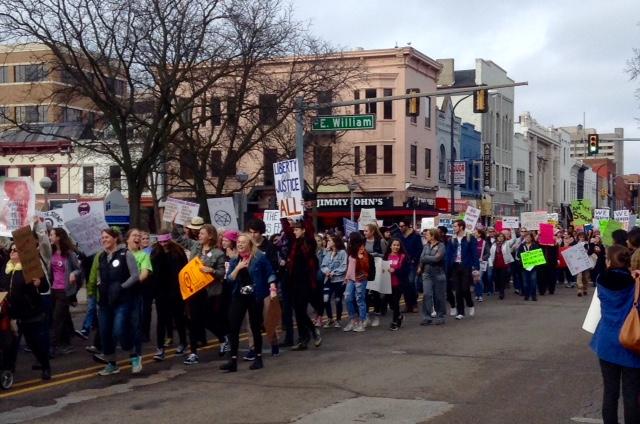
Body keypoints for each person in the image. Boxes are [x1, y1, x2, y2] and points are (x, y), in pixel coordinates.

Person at [590, 245, 640, 424]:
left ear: (610, 261)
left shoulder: (601, 279)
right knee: (631, 394)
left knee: (610, 392)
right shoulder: (635, 282)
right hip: (630, 341)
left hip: (606, 340)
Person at [220, 233, 277, 372]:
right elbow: (229, 280)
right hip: (239, 296)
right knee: (233, 327)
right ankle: (233, 360)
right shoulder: (235, 260)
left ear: (249, 244)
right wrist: (238, 268)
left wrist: (273, 288)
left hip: (255, 296)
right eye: (238, 242)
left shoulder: (259, 258)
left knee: (255, 327)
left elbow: (270, 273)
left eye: (243, 242)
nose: (239, 244)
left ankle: (258, 358)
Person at [1, 242, 52, 380]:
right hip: (11, 315)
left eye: (15, 250)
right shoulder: (6, 269)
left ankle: (45, 366)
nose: (12, 252)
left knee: (34, 343)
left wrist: (39, 283)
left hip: (30, 314)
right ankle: (8, 372)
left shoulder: (30, 268)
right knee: (10, 345)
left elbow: (44, 288)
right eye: (11, 250)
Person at [96, 228, 139, 376]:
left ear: (115, 239)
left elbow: (135, 275)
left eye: (107, 237)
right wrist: (98, 285)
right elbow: (99, 276)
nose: (104, 240)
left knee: (119, 330)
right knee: (105, 333)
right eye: (102, 237)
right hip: (104, 302)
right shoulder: (101, 257)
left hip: (122, 300)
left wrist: (121, 287)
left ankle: (133, 354)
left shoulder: (125, 254)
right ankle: (111, 363)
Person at [183, 224, 226, 365]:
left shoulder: (218, 253)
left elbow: (222, 273)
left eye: (202, 233)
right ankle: (193, 353)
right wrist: (175, 221)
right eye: (199, 233)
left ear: (210, 236)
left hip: (209, 293)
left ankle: (222, 338)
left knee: (208, 321)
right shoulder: (195, 246)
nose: (199, 236)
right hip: (194, 291)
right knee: (193, 321)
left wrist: (211, 271)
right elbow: (178, 238)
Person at [283, 217, 320, 350]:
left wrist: (304, 212)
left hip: (305, 282)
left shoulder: (309, 242)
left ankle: (310, 333)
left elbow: (310, 230)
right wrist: (283, 216)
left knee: (301, 310)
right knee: (298, 312)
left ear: (304, 230)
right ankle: (305, 338)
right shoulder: (294, 242)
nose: (294, 232)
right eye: (294, 229)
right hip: (293, 281)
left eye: (297, 229)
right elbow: (287, 231)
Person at [151, 232, 188, 361]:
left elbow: (184, 270)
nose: (163, 244)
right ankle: (160, 348)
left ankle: (183, 342)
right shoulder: (155, 252)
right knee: (161, 320)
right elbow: (153, 272)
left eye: (165, 242)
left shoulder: (178, 252)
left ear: (169, 240)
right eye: (161, 242)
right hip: (161, 291)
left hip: (176, 290)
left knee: (178, 318)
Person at [48, 228, 82, 356]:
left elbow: (79, 270)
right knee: (61, 317)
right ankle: (66, 342)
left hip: (64, 291)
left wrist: (73, 273)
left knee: (57, 319)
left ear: (58, 237)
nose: (50, 237)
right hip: (53, 289)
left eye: (51, 235)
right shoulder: (51, 252)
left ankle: (52, 347)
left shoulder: (69, 254)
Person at [124, 228, 152, 373]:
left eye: (139, 236)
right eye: (134, 236)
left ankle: (136, 356)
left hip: (135, 294)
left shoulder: (143, 255)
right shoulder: (122, 254)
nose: (138, 238)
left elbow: (144, 274)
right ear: (127, 239)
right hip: (121, 296)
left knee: (135, 326)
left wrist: (132, 283)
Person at [445, 220, 478, 319]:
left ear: (461, 227)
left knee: (465, 289)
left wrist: (476, 267)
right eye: (453, 226)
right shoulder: (451, 240)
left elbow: (474, 253)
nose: (453, 228)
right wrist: (447, 267)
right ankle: (461, 312)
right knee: (458, 291)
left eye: (455, 226)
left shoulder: (469, 238)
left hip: (466, 266)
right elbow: (448, 255)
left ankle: (470, 304)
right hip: (455, 266)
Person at [418, 228, 447, 325]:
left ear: (433, 236)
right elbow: (421, 258)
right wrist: (426, 260)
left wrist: (426, 258)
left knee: (438, 296)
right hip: (427, 273)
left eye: (427, 234)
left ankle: (440, 316)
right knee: (427, 295)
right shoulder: (426, 246)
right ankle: (427, 317)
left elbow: (438, 258)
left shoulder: (441, 245)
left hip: (438, 273)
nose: (425, 236)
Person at [343, 232, 371, 332]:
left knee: (360, 299)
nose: (348, 240)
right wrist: (346, 277)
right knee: (348, 298)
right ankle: (353, 320)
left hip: (360, 278)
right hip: (350, 278)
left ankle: (362, 321)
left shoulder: (362, 249)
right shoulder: (350, 250)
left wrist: (361, 258)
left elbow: (366, 265)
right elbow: (349, 265)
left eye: (350, 238)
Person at [320, 235, 347, 328]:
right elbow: (323, 265)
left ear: (335, 242)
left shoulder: (342, 252)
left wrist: (334, 272)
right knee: (325, 299)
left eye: (330, 241)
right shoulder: (328, 253)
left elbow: (344, 266)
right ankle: (330, 318)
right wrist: (327, 271)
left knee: (337, 300)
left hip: (339, 280)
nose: (328, 242)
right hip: (328, 280)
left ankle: (338, 320)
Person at [363, 223, 387, 327]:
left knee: (376, 293)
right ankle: (366, 316)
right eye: (364, 231)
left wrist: (376, 255)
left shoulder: (380, 241)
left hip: (378, 268)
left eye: (366, 231)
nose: (364, 233)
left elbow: (386, 255)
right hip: (366, 269)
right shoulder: (363, 242)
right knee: (365, 293)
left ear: (372, 232)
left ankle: (377, 316)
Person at [384, 238, 407, 330]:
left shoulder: (402, 256)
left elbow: (404, 270)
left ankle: (395, 322)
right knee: (391, 304)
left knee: (396, 302)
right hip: (388, 283)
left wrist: (395, 270)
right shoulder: (386, 256)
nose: (396, 247)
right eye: (394, 245)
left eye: (398, 245)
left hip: (398, 283)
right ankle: (399, 316)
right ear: (390, 246)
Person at [398, 221, 421, 313]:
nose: (401, 228)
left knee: (411, 282)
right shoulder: (400, 236)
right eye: (400, 226)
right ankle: (408, 305)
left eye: (402, 226)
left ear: (407, 226)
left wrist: (414, 260)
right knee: (404, 284)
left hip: (411, 263)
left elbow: (419, 249)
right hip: (402, 263)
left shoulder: (415, 236)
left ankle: (414, 304)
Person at [488, 233, 514, 300]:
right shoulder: (494, 245)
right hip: (496, 264)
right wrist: (491, 264)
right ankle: (499, 289)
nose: (500, 237)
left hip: (504, 264)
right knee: (497, 278)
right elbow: (491, 255)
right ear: (497, 237)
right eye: (499, 236)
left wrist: (512, 230)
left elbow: (514, 240)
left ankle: (501, 293)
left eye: (502, 236)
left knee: (502, 278)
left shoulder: (506, 243)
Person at [517, 232, 539, 301]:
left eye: (529, 237)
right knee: (525, 282)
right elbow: (518, 255)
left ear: (531, 238)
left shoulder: (535, 245)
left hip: (533, 267)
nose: (527, 238)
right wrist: (525, 256)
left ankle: (533, 296)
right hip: (524, 267)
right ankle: (526, 295)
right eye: (526, 237)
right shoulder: (522, 246)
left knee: (533, 281)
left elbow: (538, 255)